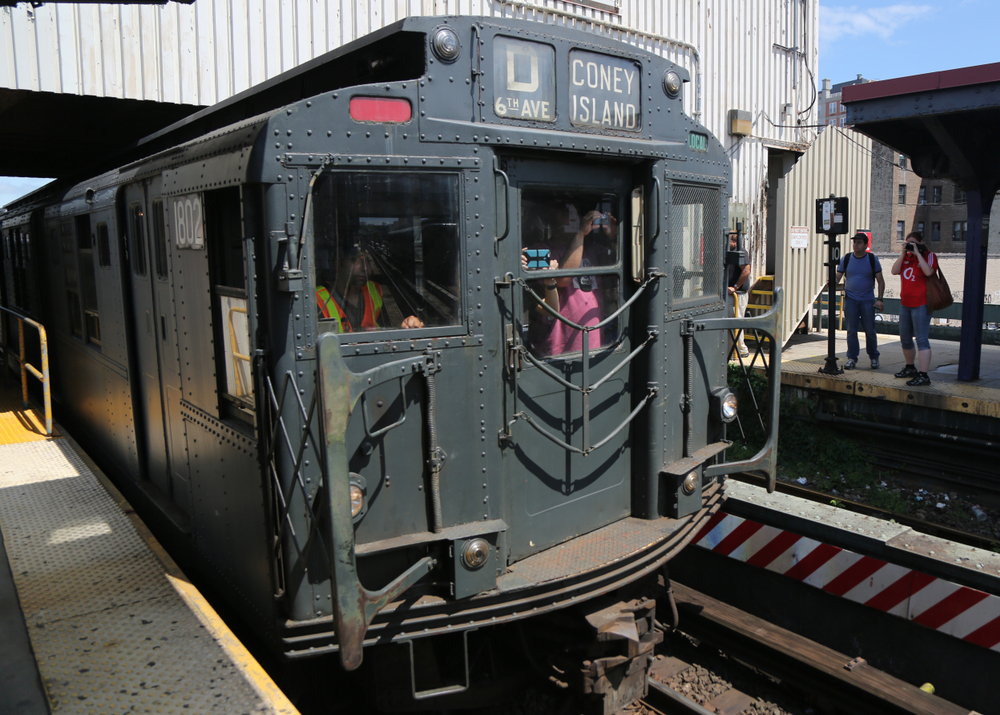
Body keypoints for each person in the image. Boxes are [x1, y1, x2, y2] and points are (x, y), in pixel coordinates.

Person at [522, 203, 614, 356]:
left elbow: (622, 267)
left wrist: (614, 237)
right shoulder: (542, 251)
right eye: (566, 213)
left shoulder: (592, 248)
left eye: (576, 214)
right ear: (551, 220)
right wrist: (580, 234)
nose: (572, 218)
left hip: (592, 336)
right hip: (561, 342)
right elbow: (563, 279)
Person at [316, 245, 423, 332]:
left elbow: (385, 327)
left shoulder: (374, 289)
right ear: (337, 262)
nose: (365, 268)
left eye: (368, 261)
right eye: (355, 260)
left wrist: (405, 325)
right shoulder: (316, 300)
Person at [890, 231, 936, 387]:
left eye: (913, 243)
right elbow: (894, 271)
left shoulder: (929, 255)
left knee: (921, 339)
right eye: (908, 243)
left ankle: (923, 375)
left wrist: (917, 253)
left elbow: (929, 271)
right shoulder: (906, 258)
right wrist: (904, 253)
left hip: (921, 304)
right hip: (906, 304)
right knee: (905, 338)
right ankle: (910, 367)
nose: (910, 245)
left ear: (921, 242)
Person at [837, 232, 885, 369]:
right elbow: (838, 276)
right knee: (851, 330)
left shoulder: (872, 259)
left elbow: (880, 281)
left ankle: (874, 357)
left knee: (870, 330)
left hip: (867, 300)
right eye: (854, 242)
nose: (855, 245)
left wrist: (880, 299)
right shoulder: (846, 259)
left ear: (865, 245)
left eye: (858, 242)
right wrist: (832, 282)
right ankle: (852, 358)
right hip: (851, 299)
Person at [726, 231, 750, 358]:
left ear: (734, 242)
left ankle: (741, 349)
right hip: (728, 293)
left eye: (728, 240)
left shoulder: (740, 252)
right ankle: (732, 349)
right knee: (731, 319)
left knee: (736, 319)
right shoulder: (726, 252)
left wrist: (735, 287)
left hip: (737, 294)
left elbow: (746, 270)